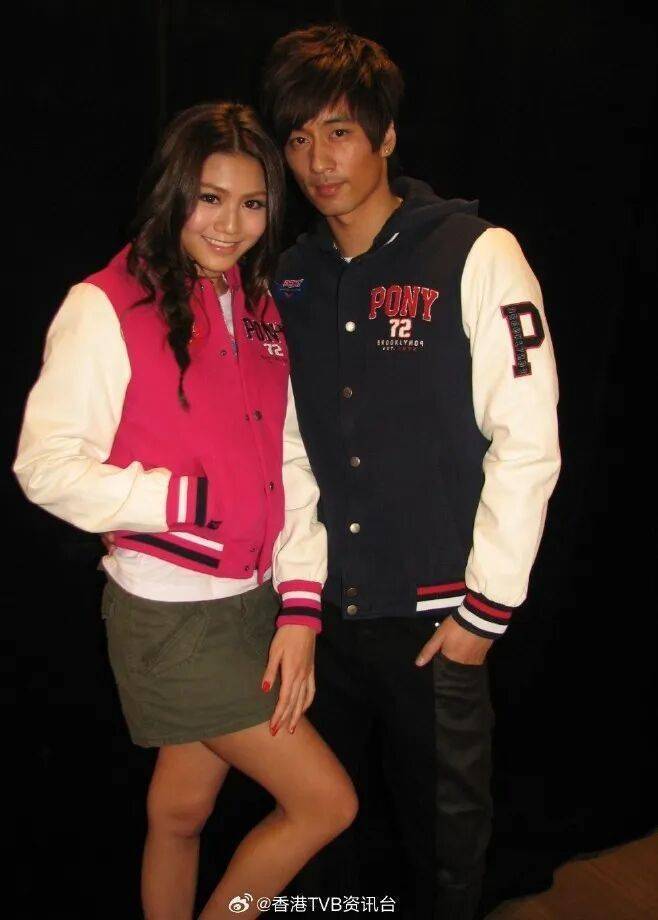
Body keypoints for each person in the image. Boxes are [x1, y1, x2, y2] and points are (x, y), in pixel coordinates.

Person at [13, 101, 358, 920]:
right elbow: (44, 466)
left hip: (250, 604)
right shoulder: (105, 304)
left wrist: (299, 607)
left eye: (252, 203)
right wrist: (182, 498)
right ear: (174, 191)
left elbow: (290, 460)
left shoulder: (260, 306)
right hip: (168, 619)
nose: (230, 224)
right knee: (326, 805)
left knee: (180, 812)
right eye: (210, 198)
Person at [261, 25, 561, 920]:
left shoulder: (475, 251)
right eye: (299, 138)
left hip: (439, 623)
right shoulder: (291, 278)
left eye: (340, 132)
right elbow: (289, 451)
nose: (319, 160)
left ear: (387, 135)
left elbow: (528, 440)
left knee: (446, 849)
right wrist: (299, 601)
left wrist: (483, 613)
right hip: (326, 624)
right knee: (328, 846)